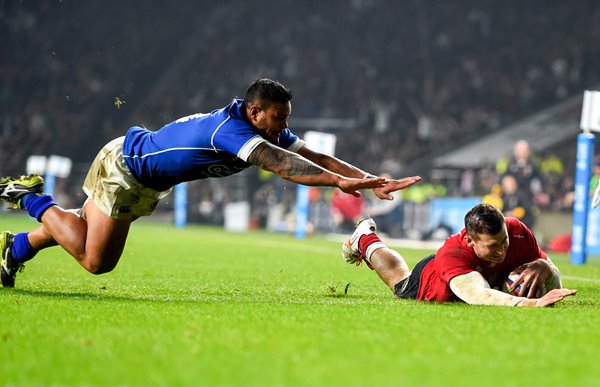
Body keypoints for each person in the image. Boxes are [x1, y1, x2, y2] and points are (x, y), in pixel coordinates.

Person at [0, 78, 421, 288]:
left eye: (287, 117)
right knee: (96, 262)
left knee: (84, 229)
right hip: (126, 168)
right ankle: (33, 199)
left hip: (142, 176)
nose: (285, 125)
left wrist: (365, 180)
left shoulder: (262, 126)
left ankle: (13, 250)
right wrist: (338, 184)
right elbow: (281, 165)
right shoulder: (230, 131)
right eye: (280, 118)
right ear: (255, 112)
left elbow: (312, 155)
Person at [342, 203, 576, 307]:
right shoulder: (452, 253)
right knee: (399, 279)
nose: (502, 250)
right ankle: (365, 238)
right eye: (492, 246)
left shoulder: (518, 232)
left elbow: (551, 274)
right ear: (469, 241)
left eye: (504, 241)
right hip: (432, 281)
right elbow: (479, 296)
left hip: (480, 276)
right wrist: (530, 304)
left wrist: (545, 267)